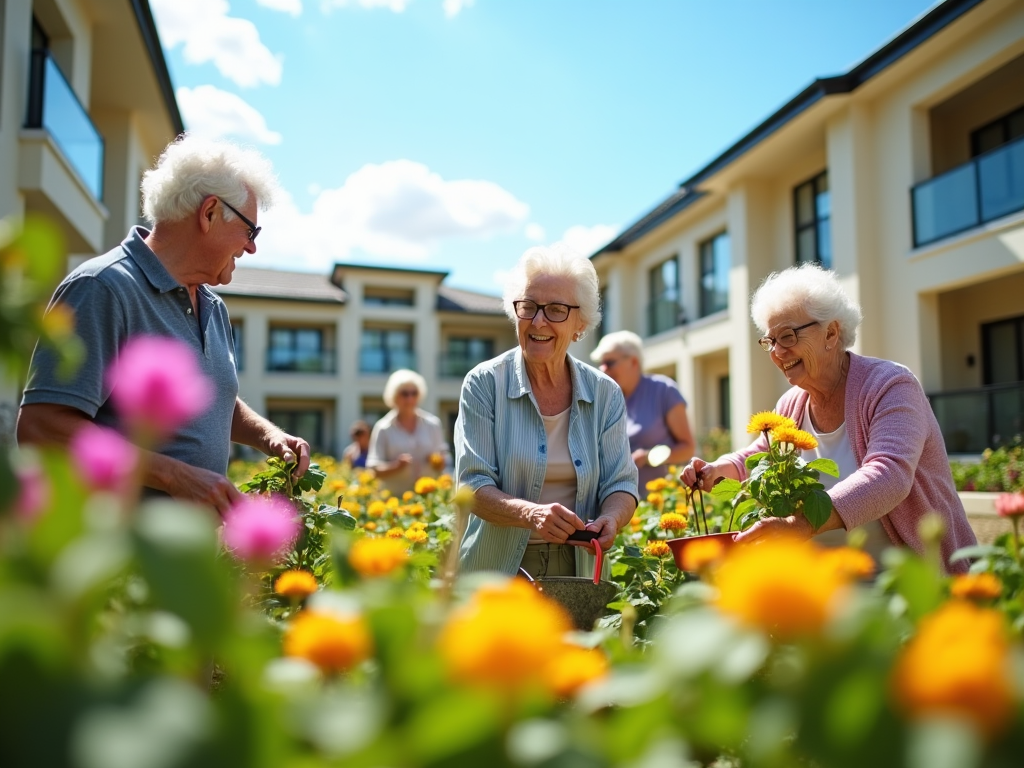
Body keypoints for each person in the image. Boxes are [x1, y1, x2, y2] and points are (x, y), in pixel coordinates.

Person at [17, 135, 310, 514]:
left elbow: (212, 399)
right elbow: (42, 427)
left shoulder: (213, 307)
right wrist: (175, 476)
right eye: (250, 231)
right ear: (208, 213)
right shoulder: (102, 287)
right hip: (115, 558)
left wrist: (268, 436)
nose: (252, 247)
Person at [680, 263, 976, 573]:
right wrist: (717, 469)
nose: (778, 352)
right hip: (824, 589)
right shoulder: (791, 404)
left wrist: (801, 524)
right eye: (770, 341)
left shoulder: (890, 385)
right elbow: (760, 454)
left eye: (788, 336)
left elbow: (890, 475)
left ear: (831, 333)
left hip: (905, 584)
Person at [455, 245, 639, 579]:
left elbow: (621, 484)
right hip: (497, 573)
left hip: (581, 570)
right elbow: (472, 487)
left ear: (579, 323)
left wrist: (612, 517)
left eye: (556, 309)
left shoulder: (604, 393)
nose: (538, 320)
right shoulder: (483, 384)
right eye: (529, 306)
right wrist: (530, 514)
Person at [591, 330, 695, 487]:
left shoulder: (664, 390)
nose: (603, 369)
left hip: (664, 500)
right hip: (618, 501)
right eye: (601, 363)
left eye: (610, 363)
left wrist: (649, 457)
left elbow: (687, 448)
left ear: (633, 362)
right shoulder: (604, 399)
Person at [366, 369, 448, 495]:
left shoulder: (433, 424)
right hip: (394, 501)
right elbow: (374, 469)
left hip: (429, 499)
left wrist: (437, 461)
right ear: (394, 396)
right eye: (404, 394)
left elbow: (444, 462)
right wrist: (396, 466)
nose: (410, 398)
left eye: (414, 393)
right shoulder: (383, 427)